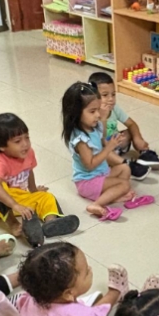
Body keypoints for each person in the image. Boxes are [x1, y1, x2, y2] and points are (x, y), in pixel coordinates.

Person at [0, 112, 79, 247]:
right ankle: (13, 224)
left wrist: (34, 191)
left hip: (17, 196)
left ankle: (51, 224)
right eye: (18, 141)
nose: (25, 144)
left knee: (46, 196)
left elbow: (29, 171)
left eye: (27, 137)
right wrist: (15, 205)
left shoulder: (28, 153)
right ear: (1, 146)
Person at [61, 82, 145, 221]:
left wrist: (110, 140)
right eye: (92, 111)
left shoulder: (92, 125)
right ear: (76, 113)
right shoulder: (81, 140)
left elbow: (101, 139)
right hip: (87, 182)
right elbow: (90, 165)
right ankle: (96, 204)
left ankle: (114, 195)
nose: (98, 115)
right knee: (124, 184)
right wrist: (109, 148)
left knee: (125, 169)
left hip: (101, 173)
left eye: (98, 109)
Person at [88, 71, 159, 175]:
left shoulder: (114, 108)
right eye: (105, 95)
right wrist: (103, 118)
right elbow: (99, 140)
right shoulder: (90, 114)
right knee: (101, 151)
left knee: (129, 131)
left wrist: (137, 138)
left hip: (114, 142)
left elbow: (131, 124)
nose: (111, 99)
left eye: (113, 94)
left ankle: (144, 152)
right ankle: (127, 165)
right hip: (102, 147)